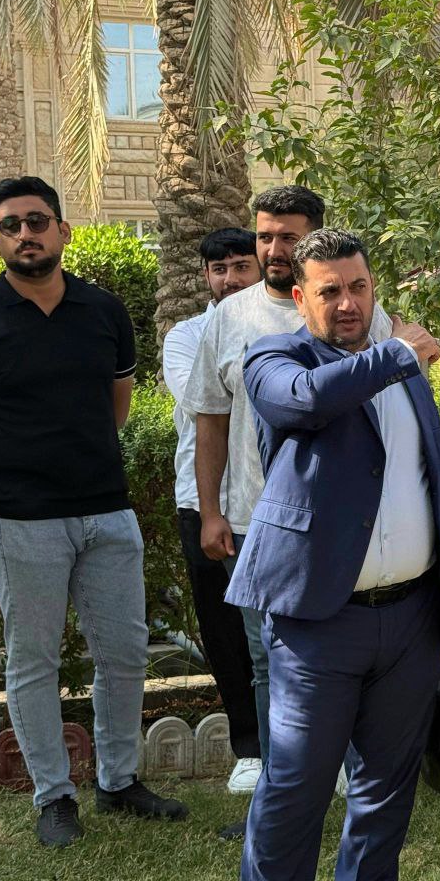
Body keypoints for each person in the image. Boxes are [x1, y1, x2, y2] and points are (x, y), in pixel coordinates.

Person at [229, 228, 440, 881]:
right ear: (300, 298)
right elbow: (305, 401)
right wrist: (398, 353)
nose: (347, 303)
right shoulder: (274, 358)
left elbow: (435, 479)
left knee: (386, 789)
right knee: (295, 787)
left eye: (358, 287)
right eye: (329, 291)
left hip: (412, 618)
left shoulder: (404, 368)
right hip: (318, 622)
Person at [0, 176, 188, 847]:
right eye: (10, 225)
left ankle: (119, 782)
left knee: (123, 652)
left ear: (63, 230)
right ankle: (54, 797)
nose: (25, 233)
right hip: (20, 518)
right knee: (33, 660)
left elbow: (116, 406)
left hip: (106, 511)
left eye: (37, 220)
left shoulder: (104, 310)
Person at [182, 186, 391, 835]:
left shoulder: (362, 314)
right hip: (255, 526)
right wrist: (211, 511)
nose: (273, 248)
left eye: (287, 236)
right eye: (264, 235)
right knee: (269, 665)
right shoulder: (230, 317)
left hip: (347, 528)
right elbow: (210, 420)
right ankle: (281, 806)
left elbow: (390, 414)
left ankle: (363, 794)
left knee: (351, 661)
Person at [161, 228, 262, 800]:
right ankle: (250, 749)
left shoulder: (288, 322)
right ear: (206, 276)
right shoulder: (186, 336)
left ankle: (319, 748)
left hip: (269, 501)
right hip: (204, 504)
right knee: (225, 633)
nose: (230, 278)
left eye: (241, 266)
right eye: (219, 269)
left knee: (290, 635)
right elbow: (206, 399)